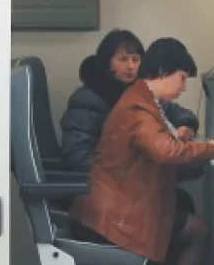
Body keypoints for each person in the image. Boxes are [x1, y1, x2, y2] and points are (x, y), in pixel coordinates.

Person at [70, 38, 214, 265]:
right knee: (195, 230)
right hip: (112, 215)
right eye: (182, 78)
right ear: (163, 72)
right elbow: (165, 151)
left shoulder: (143, 99)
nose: (183, 87)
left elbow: (162, 143)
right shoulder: (138, 107)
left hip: (116, 205)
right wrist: (211, 148)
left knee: (180, 227)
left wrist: (184, 137)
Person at [59, 28, 199, 173]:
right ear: (107, 62)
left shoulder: (142, 92)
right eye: (123, 59)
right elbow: (78, 156)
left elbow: (179, 113)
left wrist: (186, 126)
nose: (131, 66)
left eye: (136, 60)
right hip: (106, 179)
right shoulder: (88, 99)